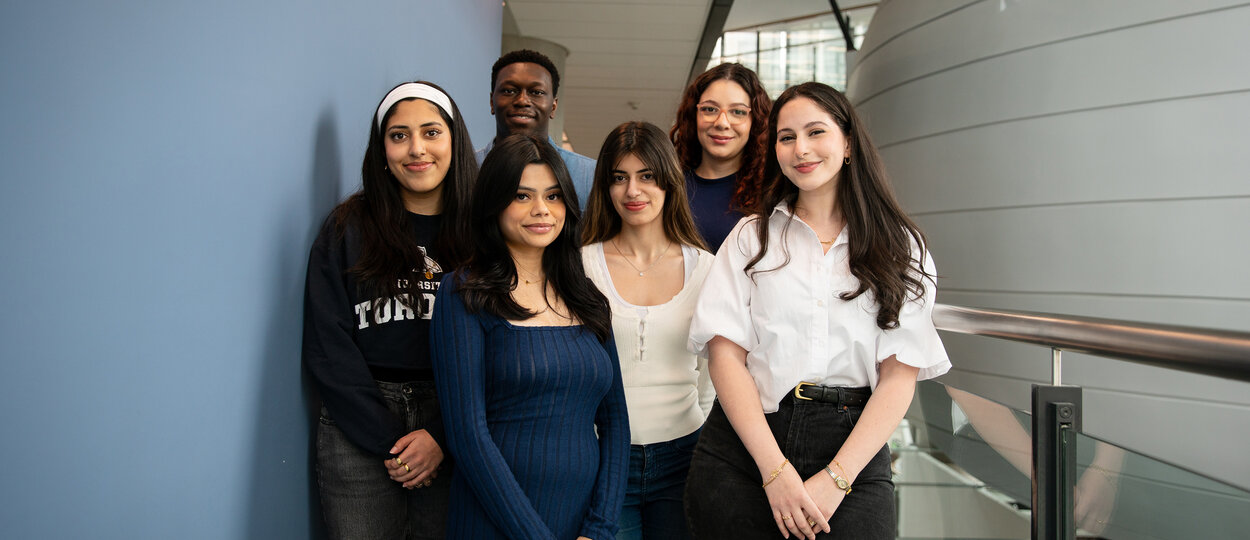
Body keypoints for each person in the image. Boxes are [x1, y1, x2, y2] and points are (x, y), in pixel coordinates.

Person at [683, 82, 951, 540]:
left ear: (848, 143)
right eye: (786, 138)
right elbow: (726, 357)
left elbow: (900, 375)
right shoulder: (752, 236)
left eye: (815, 132)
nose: (800, 149)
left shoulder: (901, 245)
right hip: (746, 447)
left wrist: (837, 478)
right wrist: (774, 471)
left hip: (853, 445)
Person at [430, 134, 629, 540]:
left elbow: (617, 423)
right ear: (493, 204)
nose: (542, 210)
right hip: (493, 523)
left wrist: (601, 527)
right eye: (522, 196)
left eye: (553, 196)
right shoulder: (463, 293)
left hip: (581, 524)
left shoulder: (589, 298)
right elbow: (468, 436)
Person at [302, 81, 476, 539]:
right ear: (382, 150)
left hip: (456, 419)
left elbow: (503, 343)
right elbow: (327, 344)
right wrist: (389, 441)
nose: (416, 149)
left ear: (454, 141)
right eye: (399, 135)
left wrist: (441, 435)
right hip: (359, 421)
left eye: (431, 133)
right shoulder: (347, 228)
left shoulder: (486, 233)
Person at [579, 122, 715, 540]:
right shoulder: (580, 265)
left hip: (685, 457)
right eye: (619, 178)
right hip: (604, 458)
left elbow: (714, 376)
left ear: (669, 181)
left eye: (646, 176)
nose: (632, 191)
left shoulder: (706, 267)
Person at [669, 63, 771, 253]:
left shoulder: (772, 192)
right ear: (693, 116)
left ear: (755, 121)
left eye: (738, 112)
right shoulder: (668, 186)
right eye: (710, 109)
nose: (722, 122)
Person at [475, 49, 597, 208]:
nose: (522, 100)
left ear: (553, 106)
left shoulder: (589, 175)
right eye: (509, 91)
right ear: (492, 102)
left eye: (536, 92)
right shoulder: (464, 169)